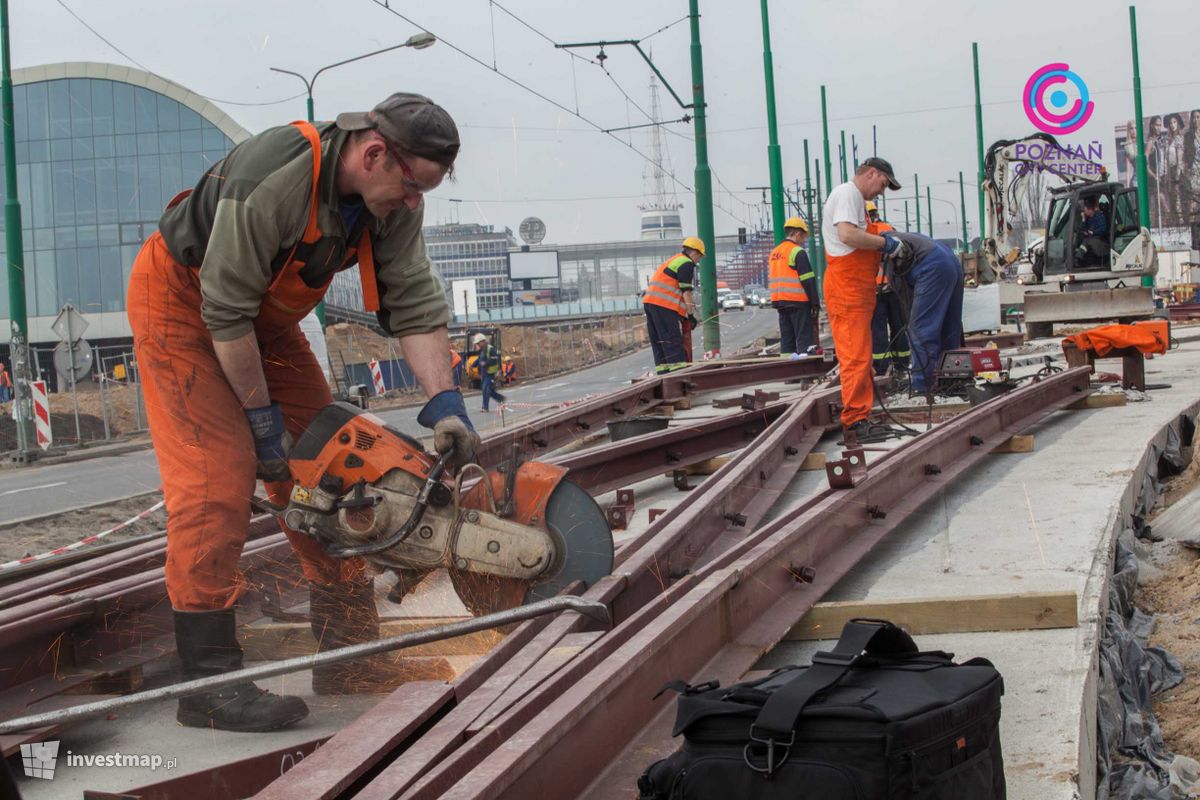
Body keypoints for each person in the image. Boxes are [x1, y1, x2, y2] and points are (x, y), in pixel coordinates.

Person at [126, 92, 481, 733]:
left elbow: (416, 303)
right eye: (410, 189)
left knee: (333, 465)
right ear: (374, 154)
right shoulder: (277, 177)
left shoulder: (395, 200)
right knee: (216, 483)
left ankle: (347, 655)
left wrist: (446, 403)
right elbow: (224, 313)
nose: (412, 204)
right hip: (183, 305)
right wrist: (262, 426)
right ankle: (208, 685)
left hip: (263, 319)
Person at [820, 157, 907, 443]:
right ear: (871, 174)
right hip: (847, 288)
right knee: (855, 357)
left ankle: (862, 414)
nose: (881, 191)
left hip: (856, 289)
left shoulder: (855, 199)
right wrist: (884, 243)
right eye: (883, 184)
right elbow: (847, 234)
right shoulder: (848, 193)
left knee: (861, 356)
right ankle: (856, 422)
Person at [880, 231, 964, 396]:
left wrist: (912, 323)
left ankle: (921, 386)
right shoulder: (899, 236)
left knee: (920, 330)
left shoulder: (883, 252)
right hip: (950, 260)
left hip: (932, 265)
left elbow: (908, 304)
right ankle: (951, 379)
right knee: (949, 327)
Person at [643, 237, 702, 374]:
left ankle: (663, 373)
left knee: (660, 342)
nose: (699, 260)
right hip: (663, 305)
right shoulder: (687, 263)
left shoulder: (675, 259)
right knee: (672, 340)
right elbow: (686, 292)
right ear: (695, 253)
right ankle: (678, 375)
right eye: (700, 257)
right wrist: (691, 314)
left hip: (650, 303)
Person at [866, 202, 909, 375]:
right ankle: (903, 364)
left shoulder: (865, 232)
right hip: (894, 287)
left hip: (875, 290)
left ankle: (881, 366)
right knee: (898, 326)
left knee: (878, 329)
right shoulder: (888, 228)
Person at [768, 217, 820, 356]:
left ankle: (789, 374)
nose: (803, 241)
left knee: (787, 340)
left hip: (780, 302)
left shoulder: (774, 253)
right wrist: (815, 303)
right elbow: (808, 280)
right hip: (798, 302)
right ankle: (805, 372)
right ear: (797, 234)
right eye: (803, 237)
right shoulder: (797, 252)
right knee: (804, 339)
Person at [473, 332, 506, 411]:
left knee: (485, 389)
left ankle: (485, 407)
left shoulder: (490, 349)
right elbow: (480, 359)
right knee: (488, 390)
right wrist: (474, 364)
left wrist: (486, 363)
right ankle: (500, 399)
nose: (477, 344)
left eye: (478, 343)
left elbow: (495, 359)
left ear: (483, 341)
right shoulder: (482, 350)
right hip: (484, 373)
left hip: (491, 373)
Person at [1076, 197, 1109, 268]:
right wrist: (1083, 220)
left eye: (1084, 209)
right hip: (1092, 239)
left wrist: (1093, 232)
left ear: (1089, 209)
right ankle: (1080, 258)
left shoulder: (1099, 216)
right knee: (1081, 238)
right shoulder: (1088, 219)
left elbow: (1103, 229)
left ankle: (1078, 258)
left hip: (1101, 240)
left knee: (1086, 241)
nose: (1083, 212)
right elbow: (1082, 229)